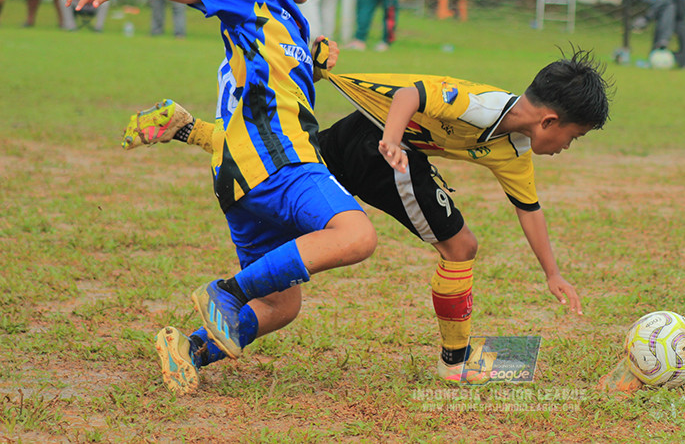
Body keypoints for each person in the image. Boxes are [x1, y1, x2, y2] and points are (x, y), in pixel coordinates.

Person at [119, 46, 613, 383]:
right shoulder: (481, 105)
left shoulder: (515, 150)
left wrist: (553, 273)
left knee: (290, 186)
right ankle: (456, 362)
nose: (568, 147)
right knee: (460, 247)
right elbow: (410, 94)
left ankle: (190, 346)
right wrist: (394, 141)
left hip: (368, 139)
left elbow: (530, 209)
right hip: (381, 146)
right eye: (574, 136)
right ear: (550, 120)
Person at [59, 0, 378, 396]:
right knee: (356, 235)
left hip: (239, 175)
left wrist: (312, 60)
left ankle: (188, 348)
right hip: (280, 165)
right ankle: (225, 293)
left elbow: (273, 86)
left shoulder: (282, 18)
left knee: (280, 305)